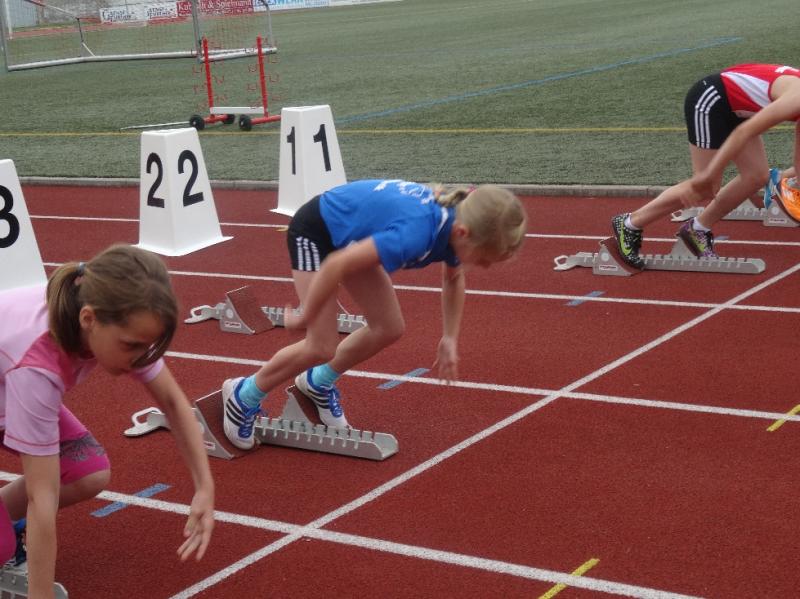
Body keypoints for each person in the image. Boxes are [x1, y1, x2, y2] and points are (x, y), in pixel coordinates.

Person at [222, 179, 527, 450]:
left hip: (350, 237)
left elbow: (453, 278)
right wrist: (306, 315)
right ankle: (243, 395)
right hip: (316, 232)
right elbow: (336, 265)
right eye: (484, 260)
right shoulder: (414, 234)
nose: (484, 267)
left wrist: (449, 337)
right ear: (463, 233)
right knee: (321, 345)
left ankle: (318, 382)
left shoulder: (458, 223)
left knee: (388, 327)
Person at [0, 244, 214, 595]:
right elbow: (42, 498)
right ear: (89, 320)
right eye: (131, 346)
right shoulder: (37, 367)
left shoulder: (109, 314)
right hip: (14, 386)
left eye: (147, 346)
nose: (140, 358)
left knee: (88, 471)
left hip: (7, 392)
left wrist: (204, 487)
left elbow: (174, 403)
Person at [610, 63, 800, 269]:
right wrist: (710, 173)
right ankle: (630, 223)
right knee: (705, 187)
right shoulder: (796, 98)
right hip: (711, 99)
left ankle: (698, 228)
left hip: (737, 108)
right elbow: (743, 133)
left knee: (756, 176)